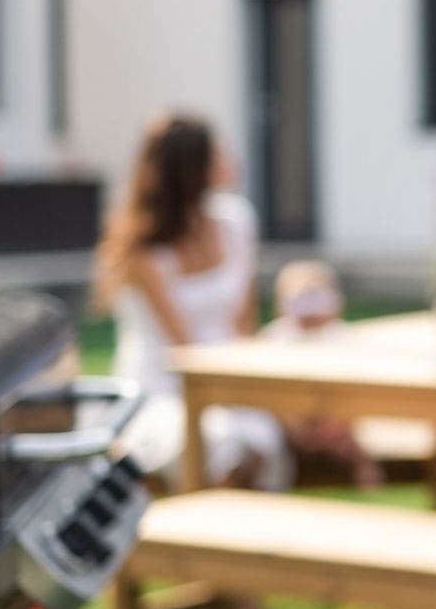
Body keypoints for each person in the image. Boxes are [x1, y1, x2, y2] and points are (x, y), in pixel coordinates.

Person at [97, 113, 291, 492]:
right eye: (215, 153)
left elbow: (243, 323)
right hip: (161, 387)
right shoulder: (143, 253)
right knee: (221, 444)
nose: (229, 159)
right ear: (189, 169)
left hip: (228, 377)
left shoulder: (237, 221)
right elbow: (183, 350)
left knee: (262, 441)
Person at [261, 260, 382, 490]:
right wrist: (296, 430)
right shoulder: (275, 340)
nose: (310, 311)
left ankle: (368, 480)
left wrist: (336, 426)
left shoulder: (342, 338)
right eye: (300, 301)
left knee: (358, 453)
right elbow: (269, 395)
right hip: (290, 427)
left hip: (336, 424)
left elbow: (357, 387)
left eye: (316, 300)